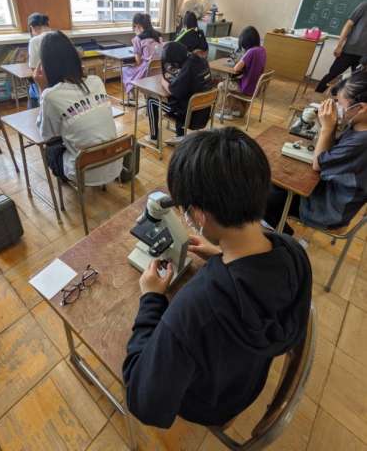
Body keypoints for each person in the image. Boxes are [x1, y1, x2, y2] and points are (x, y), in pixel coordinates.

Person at [123, 127, 312, 429]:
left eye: (186, 213)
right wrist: (222, 254)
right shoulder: (293, 251)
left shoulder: (194, 309)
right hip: (245, 382)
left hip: (209, 404)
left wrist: (151, 299)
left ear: (198, 216)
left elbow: (144, 402)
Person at [265, 71, 367, 233]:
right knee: (270, 185)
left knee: (262, 199)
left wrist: (327, 128)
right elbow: (331, 152)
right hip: (328, 188)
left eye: (341, 105)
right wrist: (330, 125)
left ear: (360, 108)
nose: (338, 109)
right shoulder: (358, 126)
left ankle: (283, 236)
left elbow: (318, 164)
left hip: (329, 208)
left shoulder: (361, 141)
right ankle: (278, 226)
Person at [35, 31, 122, 185]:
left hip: (84, 172)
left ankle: (65, 180)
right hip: (115, 163)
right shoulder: (96, 81)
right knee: (73, 132)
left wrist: (42, 88)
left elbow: (46, 135)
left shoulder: (50, 95)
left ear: (46, 66)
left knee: (50, 149)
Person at [144, 42, 213, 146]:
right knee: (183, 99)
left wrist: (163, 81)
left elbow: (172, 91)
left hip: (190, 117)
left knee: (151, 101)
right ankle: (180, 136)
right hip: (204, 112)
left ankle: (153, 138)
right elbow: (190, 81)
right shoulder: (201, 60)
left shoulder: (188, 67)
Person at [315, 1, 367, 93]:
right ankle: (316, 94)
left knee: (358, 83)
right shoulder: (364, 5)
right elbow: (348, 24)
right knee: (332, 75)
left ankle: (343, 101)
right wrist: (339, 46)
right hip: (349, 51)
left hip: (364, 57)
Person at [217, 26, 266, 119]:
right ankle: (239, 111)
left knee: (222, 85)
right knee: (233, 83)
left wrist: (240, 60)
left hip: (246, 87)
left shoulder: (251, 52)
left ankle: (227, 112)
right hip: (255, 87)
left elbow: (236, 68)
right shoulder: (262, 50)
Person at [122, 13, 162, 102]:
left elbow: (138, 61)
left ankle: (132, 97)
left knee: (125, 69)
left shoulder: (138, 39)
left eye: (134, 26)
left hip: (146, 71)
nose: (134, 29)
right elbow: (159, 53)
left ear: (138, 26)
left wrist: (136, 53)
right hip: (159, 70)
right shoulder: (158, 36)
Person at [27, 12, 52, 108]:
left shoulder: (35, 41)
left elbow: (34, 69)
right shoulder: (61, 35)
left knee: (32, 92)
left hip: (47, 83)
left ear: (32, 28)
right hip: (65, 81)